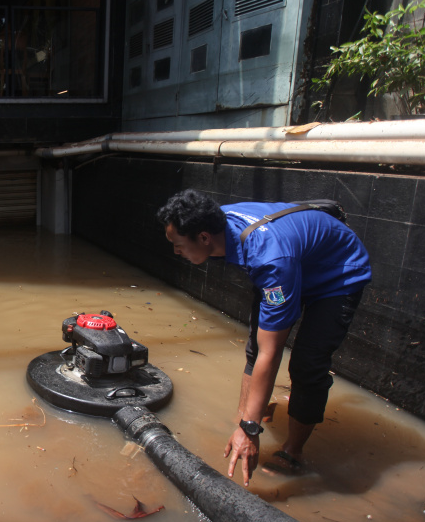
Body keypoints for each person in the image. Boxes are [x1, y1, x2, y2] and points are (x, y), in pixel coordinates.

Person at [156, 189, 371, 486]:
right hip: (293, 260)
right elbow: (260, 349)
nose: (176, 252)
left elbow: (273, 352)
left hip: (336, 274)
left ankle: (292, 452)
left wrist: (250, 429)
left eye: (178, 245)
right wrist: (245, 418)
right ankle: (244, 414)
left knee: (307, 365)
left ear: (204, 237)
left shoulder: (269, 261)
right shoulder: (217, 222)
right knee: (255, 348)